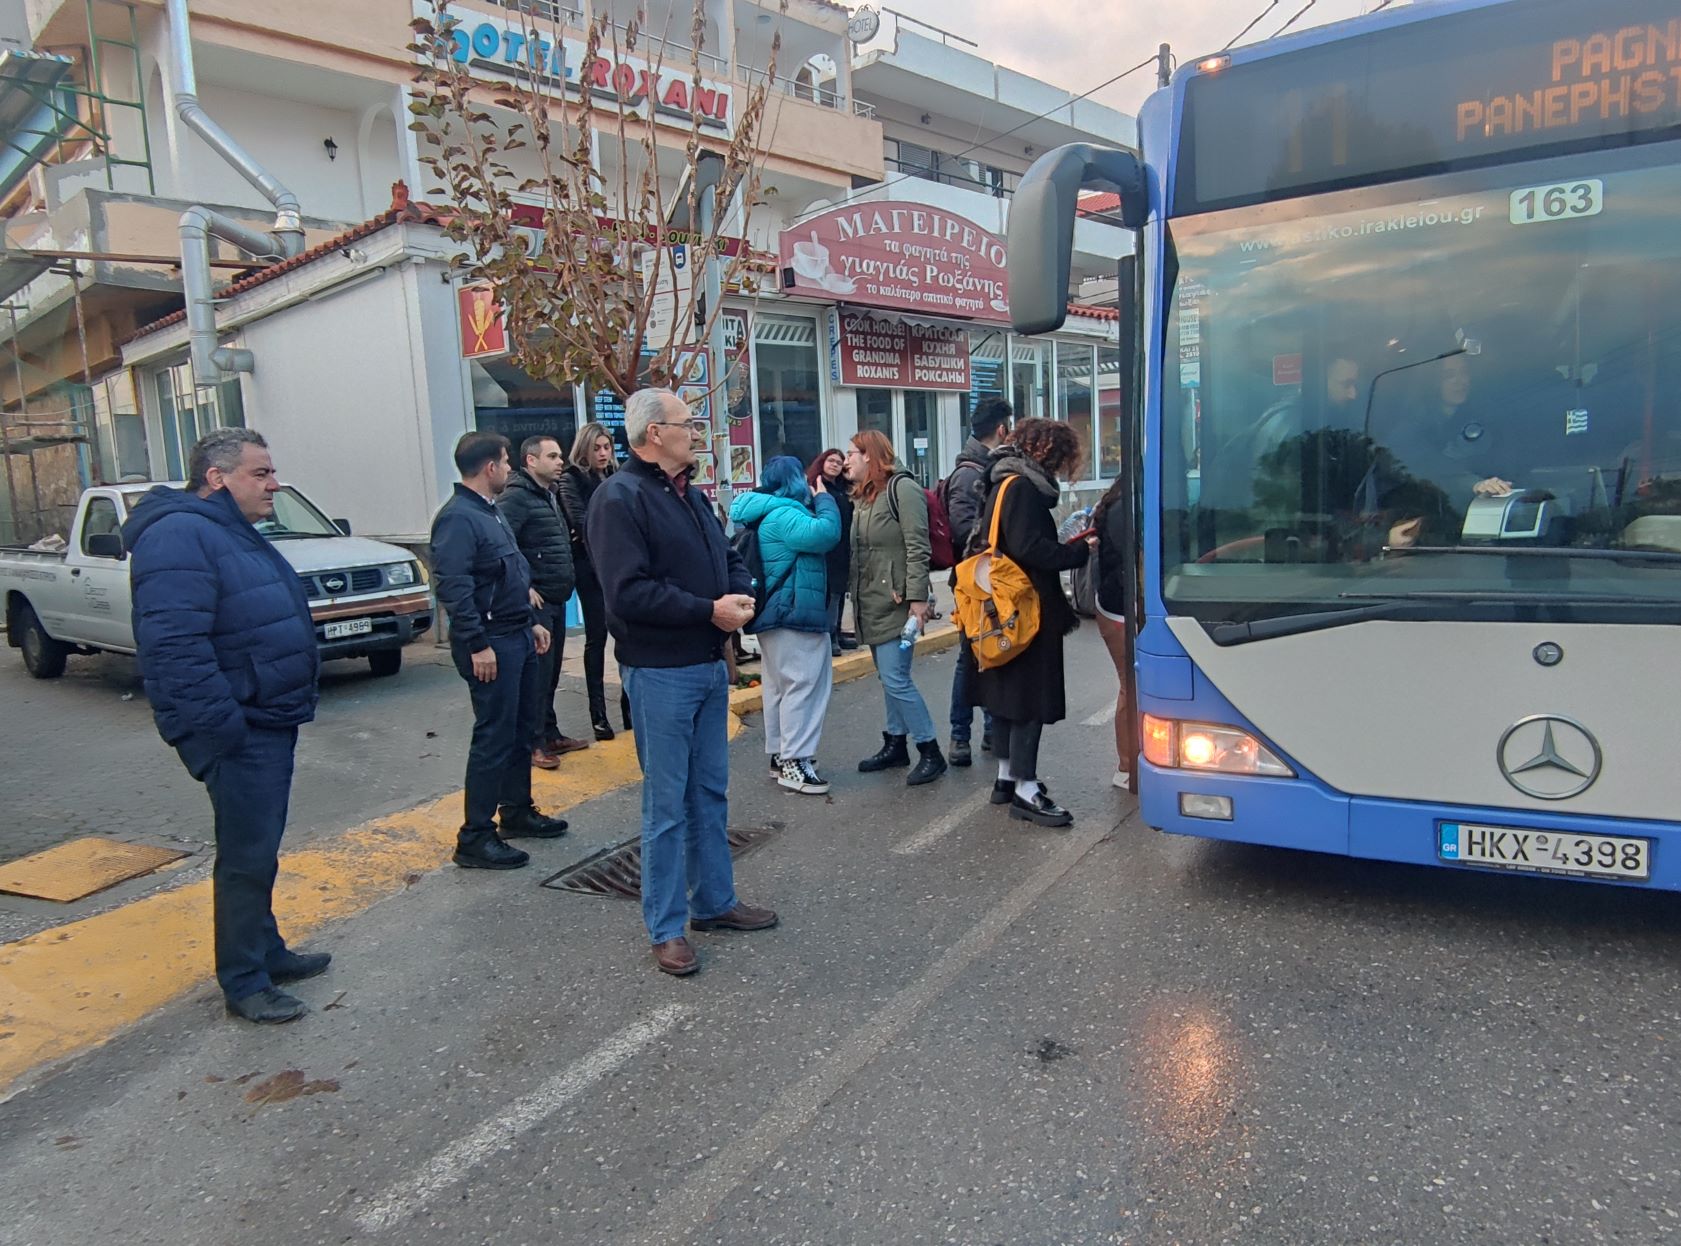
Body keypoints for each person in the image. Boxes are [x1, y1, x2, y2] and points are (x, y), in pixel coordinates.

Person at [124, 428, 325, 1024]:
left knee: (259, 851)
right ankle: (244, 980)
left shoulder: (224, 531)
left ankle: (268, 951)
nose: (274, 484)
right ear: (217, 477)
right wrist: (222, 730)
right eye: (261, 473)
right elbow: (173, 649)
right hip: (242, 730)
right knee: (245, 857)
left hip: (265, 718)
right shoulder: (180, 536)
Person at [587, 389, 777, 977]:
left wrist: (740, 596)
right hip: (660, 672)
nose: (696, 429)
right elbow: (627, 593)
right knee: (666, 806)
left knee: (710, 793)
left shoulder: (687, 492)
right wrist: (707, 610)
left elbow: (729, 555)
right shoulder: (619, 498)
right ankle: (666, 927)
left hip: (705, 664)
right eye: (686, 422)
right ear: (652, 435)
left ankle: (714, 902)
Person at [431, 431, 569, 872]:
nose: (510, 469)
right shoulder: (458, 518)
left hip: (516, 634)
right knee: (494, 735)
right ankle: (475, 835)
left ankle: (517, 811)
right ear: (489, 467)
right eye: (506, 462)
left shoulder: (489, 513)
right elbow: (454, 588)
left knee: (521, 728)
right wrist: (477, 644)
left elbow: (510, 573)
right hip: (491, 643)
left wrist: (530, 623)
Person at [973, 419, 1094, 828]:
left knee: (1007, 695)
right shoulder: (1023, 489)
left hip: (1002, 611)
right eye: (1060, 458)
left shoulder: (1000, 482)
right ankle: (1027, 789)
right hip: (1028, 611)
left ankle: (1005, 777)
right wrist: (1076, 553)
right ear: (1046, 452)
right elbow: (1030, 548)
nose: (1061, 467)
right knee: (1029, 700)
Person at [732, 455, 842, 795]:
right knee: (804, 684)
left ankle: (781, 755)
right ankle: (796, 761)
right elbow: (825, 534)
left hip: (775, 614)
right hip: (793, 611)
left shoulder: (761, 512)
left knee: (779, 687)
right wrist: (824, 498)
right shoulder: (785, 513)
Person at [845, 429, 946, 786]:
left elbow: (917, 545)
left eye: (852, 454)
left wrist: (919, 599)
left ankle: (930, 750)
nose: (846, 460)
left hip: (899, 603)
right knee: (890, 679)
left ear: (870, 455)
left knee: (896, 679)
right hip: (872, 600)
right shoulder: (864, 496)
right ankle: (895, 743)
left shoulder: (901, 488)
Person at [497, 434, 586, 769]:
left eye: (560, 455)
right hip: (537, 602)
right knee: (537, 676)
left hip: (557, 596)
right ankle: (534, 744)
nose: (560, 461)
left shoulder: (547, 494)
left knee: (550, 675)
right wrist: (525, 586)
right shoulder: (517, 497)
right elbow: (503, 544)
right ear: (531, 461)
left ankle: (550, 733)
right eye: (552, 456)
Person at [944, 397, 1010, 766]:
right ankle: (959, 735)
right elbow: (962, 528)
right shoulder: (971, 474)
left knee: (991, 653)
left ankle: (988, 730)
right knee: (970, 658)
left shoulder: (986, 468)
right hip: (974, 583)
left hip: (986, 579)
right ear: (1001, 429)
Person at [557, 422, 631, 740]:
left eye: (607, 447)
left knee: (627, 636)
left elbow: (628, 518)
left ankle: (630, 710)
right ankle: (598, 715)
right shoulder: (571, 478)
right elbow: (581, 521)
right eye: (597, 448)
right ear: (585, 448)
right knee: (596, 639)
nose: (603, 453)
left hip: (618, 565)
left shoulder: (615, 475)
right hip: (589, 568)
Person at [1090, 474, 1137, 790]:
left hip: (1118, 604)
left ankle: (1133, 761)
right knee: (1129, 685)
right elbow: (1128, 562)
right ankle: (1126, 767)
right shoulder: (1123, 510)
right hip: (1116, 607)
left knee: (1132, 685)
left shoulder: (1119, 505)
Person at [807, 448, 855, 657]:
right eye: (831, 461)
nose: (835, 465)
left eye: (839, 462)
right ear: (822, 462)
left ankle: (838, 631)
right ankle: (830, 636)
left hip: (844, 544)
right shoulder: (815, 486)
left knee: (840, 590)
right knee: (831, 593)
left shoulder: (844, 487)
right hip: (827, 546)